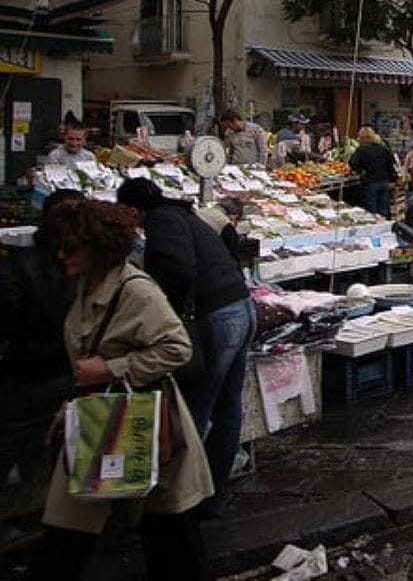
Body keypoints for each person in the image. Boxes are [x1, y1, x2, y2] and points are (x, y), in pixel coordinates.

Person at [35, 200, 212, 580]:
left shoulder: (136, 291)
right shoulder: (84, 286)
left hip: (145, 426)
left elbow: (178, 348)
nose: (62, 256)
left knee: (170, 537)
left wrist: (110, 368)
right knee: (65, 535)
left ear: (97, 248)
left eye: (71, 248)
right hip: (94, 421)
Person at [116, 178, 254, 520]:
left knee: (196, 408)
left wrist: (165, 313)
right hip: (240, 307)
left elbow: (177, 269)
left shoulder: (162, 220)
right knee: (227, 409)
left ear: (133, 209)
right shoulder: (185, 215)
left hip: (218, 317)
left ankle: (183, 499)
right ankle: (212, 497)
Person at [0, 191, 86, 490]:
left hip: (25, 372)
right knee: (56, 450)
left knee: (10, 444)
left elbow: (7, 323)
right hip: (71, 372)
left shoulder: (19, 265)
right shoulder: (88, 268)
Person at [349, 126, 399, 218]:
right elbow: (391, 165)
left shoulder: (361, 150)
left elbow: (352, 162)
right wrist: (393, 179)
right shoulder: (383, 149)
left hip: (370, 182)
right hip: (384, 182)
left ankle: (374, 229)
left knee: (371, 211)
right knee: (383, 209)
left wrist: (360, 171)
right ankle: (383, 228)